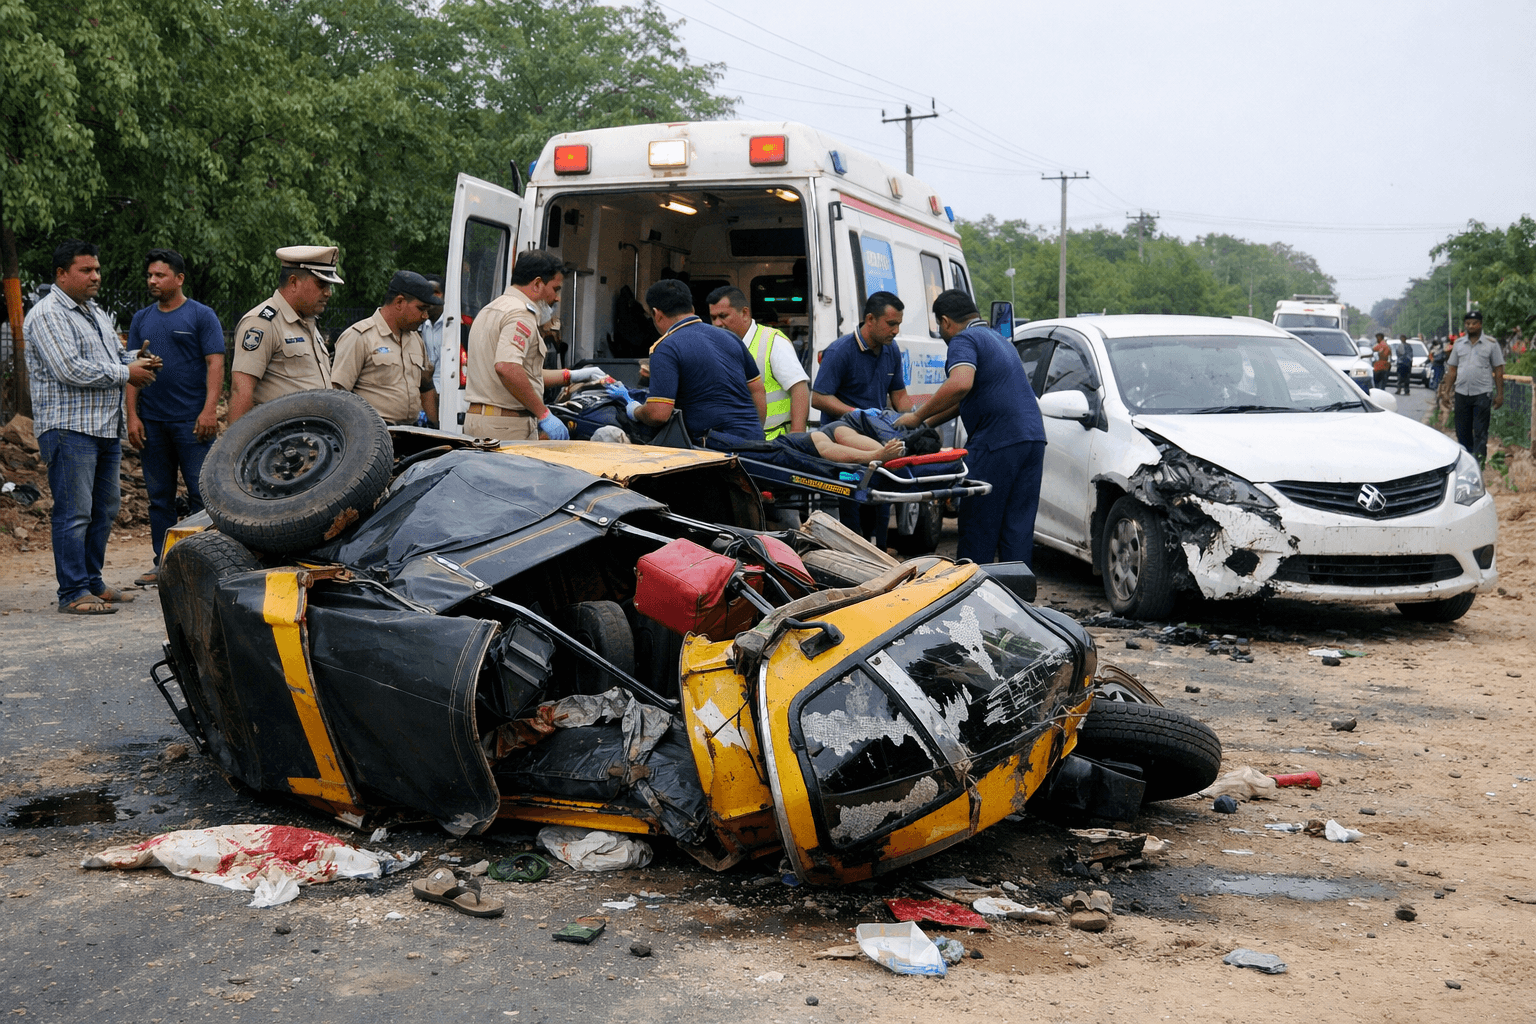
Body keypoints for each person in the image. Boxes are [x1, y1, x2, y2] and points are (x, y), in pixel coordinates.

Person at [23, 239, 161, 614]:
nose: (95, 276)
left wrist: (138, 359)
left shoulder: (94, 311)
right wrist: (125, 372)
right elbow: (69, 368)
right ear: (61, 274)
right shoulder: (48, 313)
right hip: (69, 429)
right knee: (74, 512)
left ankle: (92, 583)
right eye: (86, 270)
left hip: (103, 428)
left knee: (104, 509)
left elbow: (112, 356)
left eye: (97, 269)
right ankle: (72, 592)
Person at [894, 289, 1045, 567]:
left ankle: (970, 599)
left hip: (996, 441)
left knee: (979, 524)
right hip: (1032, 439)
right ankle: (1018, 602)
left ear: (946, 322)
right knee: (1017, 528)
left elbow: (961, 383)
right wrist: (926, 424)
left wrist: (916, 417)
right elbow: (966, 397)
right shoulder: (999, 341)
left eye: (940, 326)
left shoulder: (964, 339)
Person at [124, 248, 225, 587]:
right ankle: (163, 563)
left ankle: (202, 564)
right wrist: (132, 416)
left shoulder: (201, 316)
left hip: (192, 422)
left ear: (179, 279)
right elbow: (132, 368)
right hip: (152, 422)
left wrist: (209, 409)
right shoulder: (141, 319)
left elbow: (215, 364)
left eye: (160, 275)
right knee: (159, 497)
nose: (152, 281)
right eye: (150, 275)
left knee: (201, 496)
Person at [604, 278, 766, 447]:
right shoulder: (731, 337)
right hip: (753, 444)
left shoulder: (666, 347)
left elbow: (658, 414)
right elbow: (757, 391)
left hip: (713, 449)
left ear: (656, 314)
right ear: (692, 309)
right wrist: (755, 436)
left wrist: (635, 410)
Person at [463, 251, 603, 441]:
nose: (557, 298)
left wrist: (572, 376)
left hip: (483, 420)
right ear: (537, 284)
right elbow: (507, 367)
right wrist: (543, 413)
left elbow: (523, 374)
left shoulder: (491, 309)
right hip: (506, 426)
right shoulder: (520, 314)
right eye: (556, 289)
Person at [811, 291, 915, 547]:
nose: (896, 330)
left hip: (878, 444)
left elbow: (899, 396)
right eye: (891, 324)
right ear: (870, 319)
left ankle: (879, 556)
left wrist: (914, 420)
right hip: (846, 447)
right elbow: (819, 398)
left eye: (899, 324)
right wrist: (855, 414)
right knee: (852, 514)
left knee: (880, 506)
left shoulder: (891, 351)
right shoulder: (841, 351)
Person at [227, 246, 344, 424]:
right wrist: (236, 449)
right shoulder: (263, 323)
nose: (328, 292)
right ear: (294, 282)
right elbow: (241, 392)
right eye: (321, 284)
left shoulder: (308, 322)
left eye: (329, 285)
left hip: (316, 440)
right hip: (281, 442)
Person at [331, 270, 440, 427]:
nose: (425, 316)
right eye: (421, 308)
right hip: (374, 432)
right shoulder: (360, 336)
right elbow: (338, 396)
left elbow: (426, 385)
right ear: (399, 302)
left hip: (411, 432)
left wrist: (434, 426)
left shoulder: (415, 339)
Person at [706, 285, 809, 440]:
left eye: (723, 316)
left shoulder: (771, 341)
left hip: (776, 442)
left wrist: (797, 437)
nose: (718, 323)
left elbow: (799, 388)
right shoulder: (717, 346)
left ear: (745, 313)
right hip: (738, 442)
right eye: (713, 318)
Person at [1444, 310, 1505, 465]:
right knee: (1461, 430)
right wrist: (1446, 392)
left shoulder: (1491, 344)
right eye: (1467, 324)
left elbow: (1498, 370)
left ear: (1480, 324)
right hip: (1461, 393)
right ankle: (1466, 462)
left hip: (1482, 394)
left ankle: (1478, 464)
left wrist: (1500, 394)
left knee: (1480, 431)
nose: (1470, 326)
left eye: (1473, 323)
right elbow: (1452, 370)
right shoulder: (1458, 344)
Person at [421, 272, 447, 406]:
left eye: (435, 292)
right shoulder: (420, 326)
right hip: (427, 394)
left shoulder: (452, 326)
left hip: (447, 393)